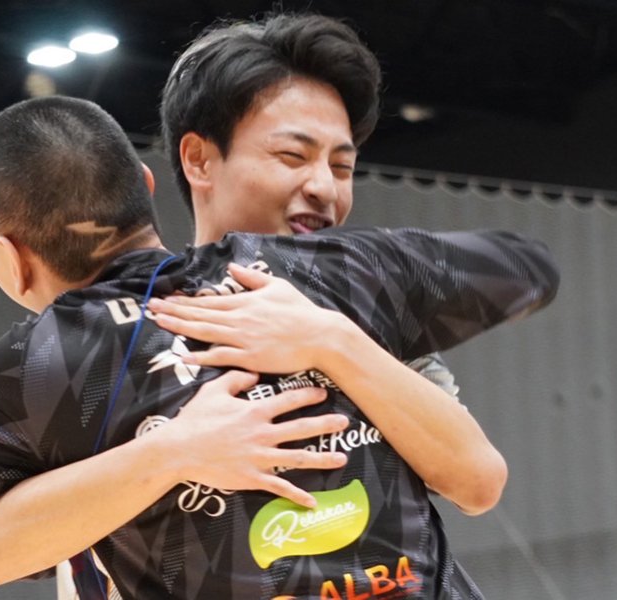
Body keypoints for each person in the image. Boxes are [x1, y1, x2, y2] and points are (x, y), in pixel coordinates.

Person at [0, 94, 558, 599]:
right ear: (145, 188)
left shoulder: (43, 364)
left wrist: (166, 452)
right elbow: (523, 268)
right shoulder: (322, 270)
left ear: (9, 255)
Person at [59, 13, 515, 599]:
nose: (325, 187)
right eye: (293, 157)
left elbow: (477, 480)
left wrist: (332, 340)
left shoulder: (365, 312)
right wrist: (170, 452)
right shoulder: (118, 336)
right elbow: (3, 548)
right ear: (199, 159)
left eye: (342, 165)